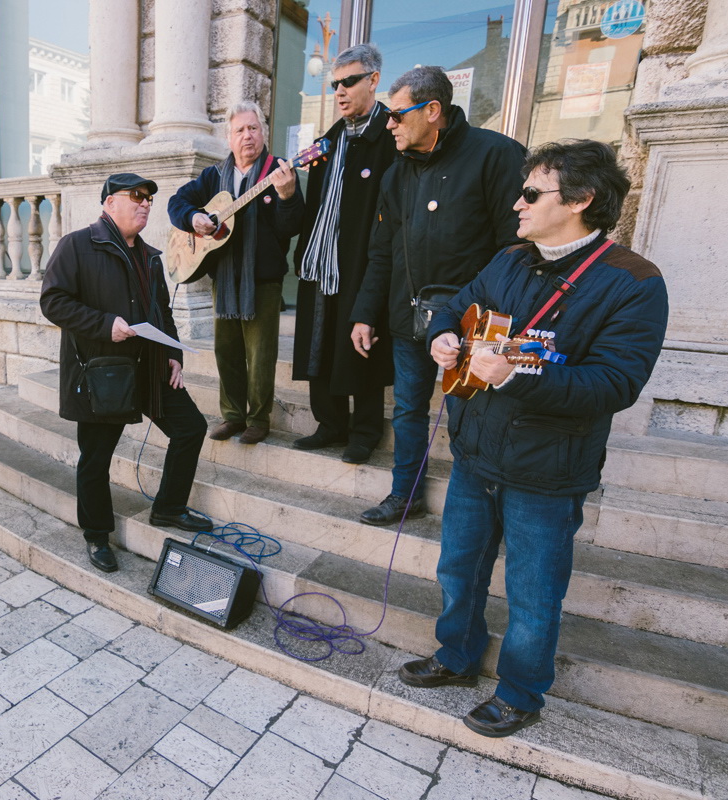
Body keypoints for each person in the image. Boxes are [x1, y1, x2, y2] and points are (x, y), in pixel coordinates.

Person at [400, 140, 669, 737]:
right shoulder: (512, 258)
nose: (516, 204)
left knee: (533, 591)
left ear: (580, 200)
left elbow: (615, 383)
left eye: (530, 192)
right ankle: (456, 656)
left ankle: (520, 691)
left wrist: (522, 373)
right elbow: (459, 304)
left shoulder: (635, 282)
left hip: (547, 470)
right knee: (458, 569)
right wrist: (443, 335)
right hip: (477, 452)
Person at [350, 65, 526, 525]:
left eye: (396, 114)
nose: (388, 123)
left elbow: (518, 246)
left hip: (472, 327)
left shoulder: (496, 156)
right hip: (410, 323)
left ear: (432, 111)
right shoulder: (395, 175)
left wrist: (493, 319)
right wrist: (365, 313)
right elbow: (381, 252)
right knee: (408, 412)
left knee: (474, 418)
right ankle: (404, 497)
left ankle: (483, 511)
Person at [41, 173, 212, 574]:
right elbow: (53, 301)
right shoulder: (78, 245)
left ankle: (168, 508)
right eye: (135, 196)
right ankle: (97, 535)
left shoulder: (151, 256)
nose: (145, 204)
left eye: (149, 198)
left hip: (151, 366)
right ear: (108, 203)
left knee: (190, 428)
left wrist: (174, 355)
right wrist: (105, 325)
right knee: (96, 459)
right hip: (105, 373)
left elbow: (162, 313)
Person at [168, 102, 303, 445]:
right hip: (225, 280)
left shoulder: (279, 172)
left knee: (260, 356)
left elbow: (292, 227)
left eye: (253, 128)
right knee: (226, 351)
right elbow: (178, 202)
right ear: (229, 138)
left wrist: (287, 196)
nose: (248, 136)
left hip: (263, 280)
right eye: (240, 130)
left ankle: (258, 418)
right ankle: (232, 416)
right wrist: (193, 219)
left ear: (263, 133)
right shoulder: (213, 177)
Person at [291, 43, 397, 464]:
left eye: (349, 81)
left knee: (361, 341)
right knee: (320, 341)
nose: (340, 91)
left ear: (373, 80)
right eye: (335, 83)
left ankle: (365, 431)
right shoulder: (328, 140)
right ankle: (330, 423)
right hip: (320, 261)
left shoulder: (390, 135)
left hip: (363, 261)